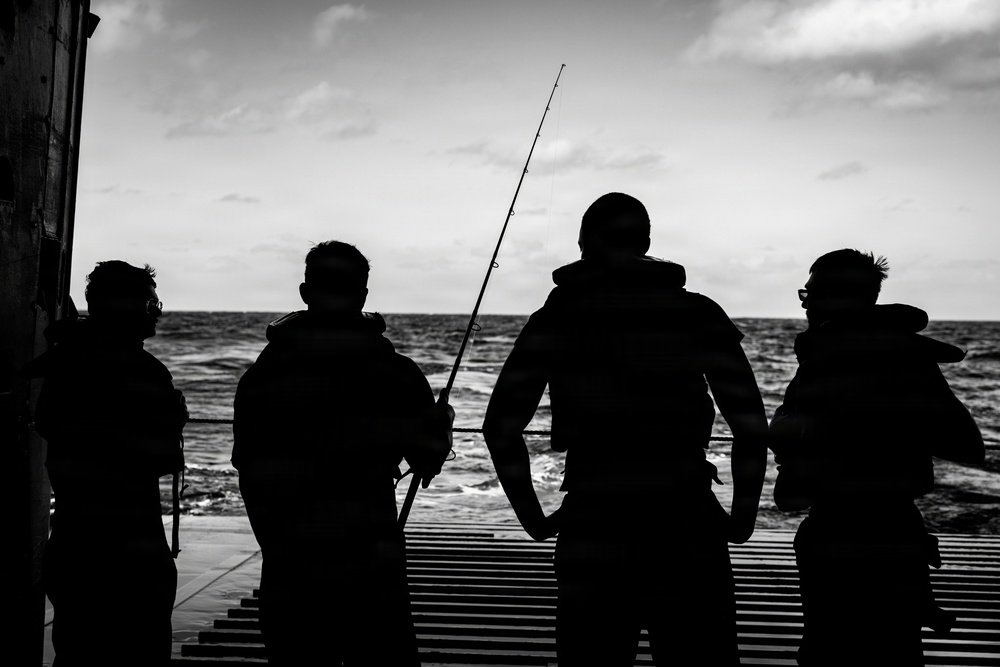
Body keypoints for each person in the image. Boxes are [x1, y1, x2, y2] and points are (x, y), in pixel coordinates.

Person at [482, 192, 769, 666]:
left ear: (583, 244)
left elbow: (500, 427)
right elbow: (751, 427)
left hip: (593, 521)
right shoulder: (698, 313)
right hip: (686, 521)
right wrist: (741, 520)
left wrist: (536, 520)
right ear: (648, 243)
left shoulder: (554, 317)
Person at [232, 240, 452, 666]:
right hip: (372, 571)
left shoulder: (262, 376)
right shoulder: (395, 373)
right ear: (363, 295)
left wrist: (277, 549)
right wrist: (441, 422)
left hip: (289, 569)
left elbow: (249, 473)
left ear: (305, 292)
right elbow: (428, 460)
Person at [770, 248, 985, 667]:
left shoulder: (828, 359)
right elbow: (967, 445)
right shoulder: (908, 357)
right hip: (897, 529)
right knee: (896, 655)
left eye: (809, 293)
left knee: (826, 656)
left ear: (833, 297)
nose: (805, 303)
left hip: (838, 532)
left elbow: (791, 472)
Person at [28, 261, 186, 666]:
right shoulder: (144, 371)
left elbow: (51, 427)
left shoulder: (65, 364)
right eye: (152, 301)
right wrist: (173, 418)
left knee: (78, 653)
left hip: (75, 540)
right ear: (131, 307)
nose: (157, 310)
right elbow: (159, 458)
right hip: (131, 546)